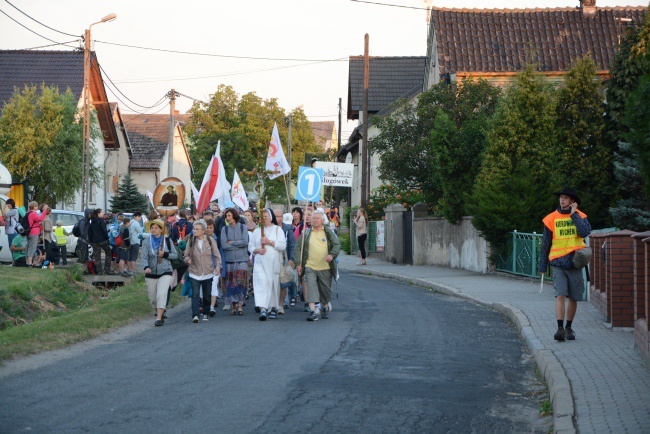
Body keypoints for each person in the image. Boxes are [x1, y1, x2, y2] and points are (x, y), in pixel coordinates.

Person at [538, 187, 592, 342]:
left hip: (575, 263)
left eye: (566, 198)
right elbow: (545, 244)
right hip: (558, 263)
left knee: (574, 297)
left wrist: (574, 215)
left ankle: (569, 327)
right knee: (560, 295)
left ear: (572, 201)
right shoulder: (551, 218)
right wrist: (542, 266)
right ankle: (560, 329)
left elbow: (584, 232)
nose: (562, 200)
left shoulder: (580, 216)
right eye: (561, 197)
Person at [294, 209, 341, 321]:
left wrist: (331, 254)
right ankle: (313, 311)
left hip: (325, 267)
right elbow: (298, 249)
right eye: (314, 218)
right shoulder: (306, 233)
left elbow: (336, 245)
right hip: (310, 266)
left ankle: (324, 307)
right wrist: (298, 264)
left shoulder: (328, 232)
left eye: (318, 218)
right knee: (311, 288)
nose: (315, 220)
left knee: (325, 292)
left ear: (323, 220)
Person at [248, 209, 286, 321]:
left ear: (270, 217)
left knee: (272, 283)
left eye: (265, 216)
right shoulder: (257, 231)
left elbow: (282, 245)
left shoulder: (277, 230)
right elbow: (250, 246)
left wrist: (269, 242)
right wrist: (257, 250)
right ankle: (263, 309)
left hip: (273, 261)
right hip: (260, 261)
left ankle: (274, 307)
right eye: (261, 217)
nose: (263, 219)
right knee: (261, 283)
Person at [141, 219, 178, 326]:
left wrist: (165, 255)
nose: (153, 230)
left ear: (161, 230)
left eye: (156, 228)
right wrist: (146, 267)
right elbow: (144, 257)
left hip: (166, 271)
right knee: (153, 298)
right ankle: (159, 310)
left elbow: (175, 255)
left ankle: (159, 317)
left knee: (161, 294)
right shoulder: (146, 242)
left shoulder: (167, 241)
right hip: (151, 273)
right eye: (152, 228)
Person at [184, 219, 220, 323]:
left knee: (207, 295)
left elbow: (217, 255)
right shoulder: (191, 240)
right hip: (194, 271)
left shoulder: (210, 240)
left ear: (203, 230)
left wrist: (218, 266)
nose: (194, 231)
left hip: (208, 271)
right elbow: (186, 255)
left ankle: (205, 313)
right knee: (195, 294)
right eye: (194, 229)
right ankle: (195, 315)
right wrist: (187, 260)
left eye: (197, 229)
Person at [221, 208, 249, 315]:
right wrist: (236, 247)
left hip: (242, 260)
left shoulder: (242, 227)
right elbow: (224, 244)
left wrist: (232, 243)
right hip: (230, 260)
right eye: (226, 216)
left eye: (229, 215)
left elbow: (245, 242)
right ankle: (233, 305)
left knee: (241, 283)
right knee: (231, 283)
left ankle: (240, 305)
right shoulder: (225, 229)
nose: (227, 218)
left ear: (234, 216)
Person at [274, 209, 296, 314]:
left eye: (279, 216)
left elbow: (292, 245)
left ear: (282, 217)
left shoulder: (287, 229)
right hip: (272, 259)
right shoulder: (268, 229)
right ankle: (272, 304)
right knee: (273, 283)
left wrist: (291, 259)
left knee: (283, 282)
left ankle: (282, 304)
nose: (276, 218)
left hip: (283, 258)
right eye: (275, 216)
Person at [87, 208, 113, 275]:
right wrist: (107, 238)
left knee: (97, 256)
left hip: (94, 242)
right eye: (101, 212)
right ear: (98, 214)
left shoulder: (92, 221)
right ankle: (107, 269)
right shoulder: (101, 221)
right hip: (102, 240)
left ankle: (99, 271)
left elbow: (89, 232)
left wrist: (90, 240)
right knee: (108, 253)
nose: (102, 214)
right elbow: (104, 231)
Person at [25, 201, 49, 267]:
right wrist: (44, 211)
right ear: (34, 206)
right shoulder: (33, 213)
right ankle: (29, 262)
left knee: (29, 247)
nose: (37, 207)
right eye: (36, 206)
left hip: (29, 232)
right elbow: (40, 219)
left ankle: (27, 261)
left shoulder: (28, 213)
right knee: (32, 247)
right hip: (34, 232)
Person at [3, 199, 19, 263]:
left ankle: (15, 260)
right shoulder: (12, 211)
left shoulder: (14, 211)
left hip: (13, 231)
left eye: (8, 205)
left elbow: (4, 215)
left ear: (11, 204)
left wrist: (3, 207)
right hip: (10, 231)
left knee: (12, 246)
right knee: (11, 246)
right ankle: (14, 260)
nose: (8, 206)